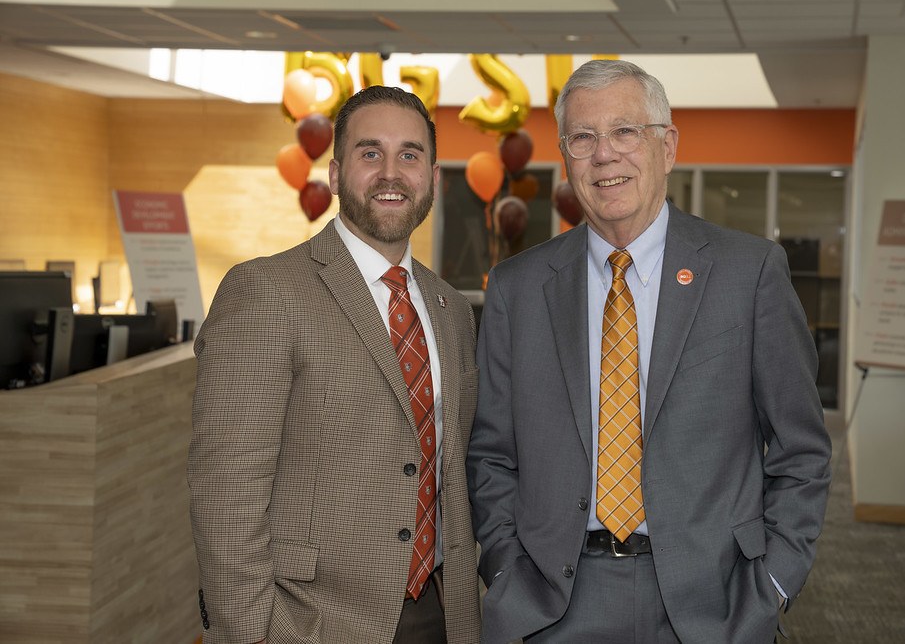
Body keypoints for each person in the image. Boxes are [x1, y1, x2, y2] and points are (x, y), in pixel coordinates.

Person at [466, 60, 832, 643]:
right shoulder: (517, 287)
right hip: (551, 606)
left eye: (625, 131)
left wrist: (775, 584)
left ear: (668, 146)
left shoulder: (749, 272)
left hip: (713, 603)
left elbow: (801, 448)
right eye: (583, 137)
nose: (604, 154)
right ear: (566, 156)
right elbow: (490, 454)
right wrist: (506, 568)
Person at [188, 85, 481, 644]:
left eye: (410, 155)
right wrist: (254, 634)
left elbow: (451, 471)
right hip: (311, 623)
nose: (391, 173)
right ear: (336, 170)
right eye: (371, 154)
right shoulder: (267, 290)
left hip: (442, 614)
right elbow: (226, 500)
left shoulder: (450, 310)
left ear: (434, 178)